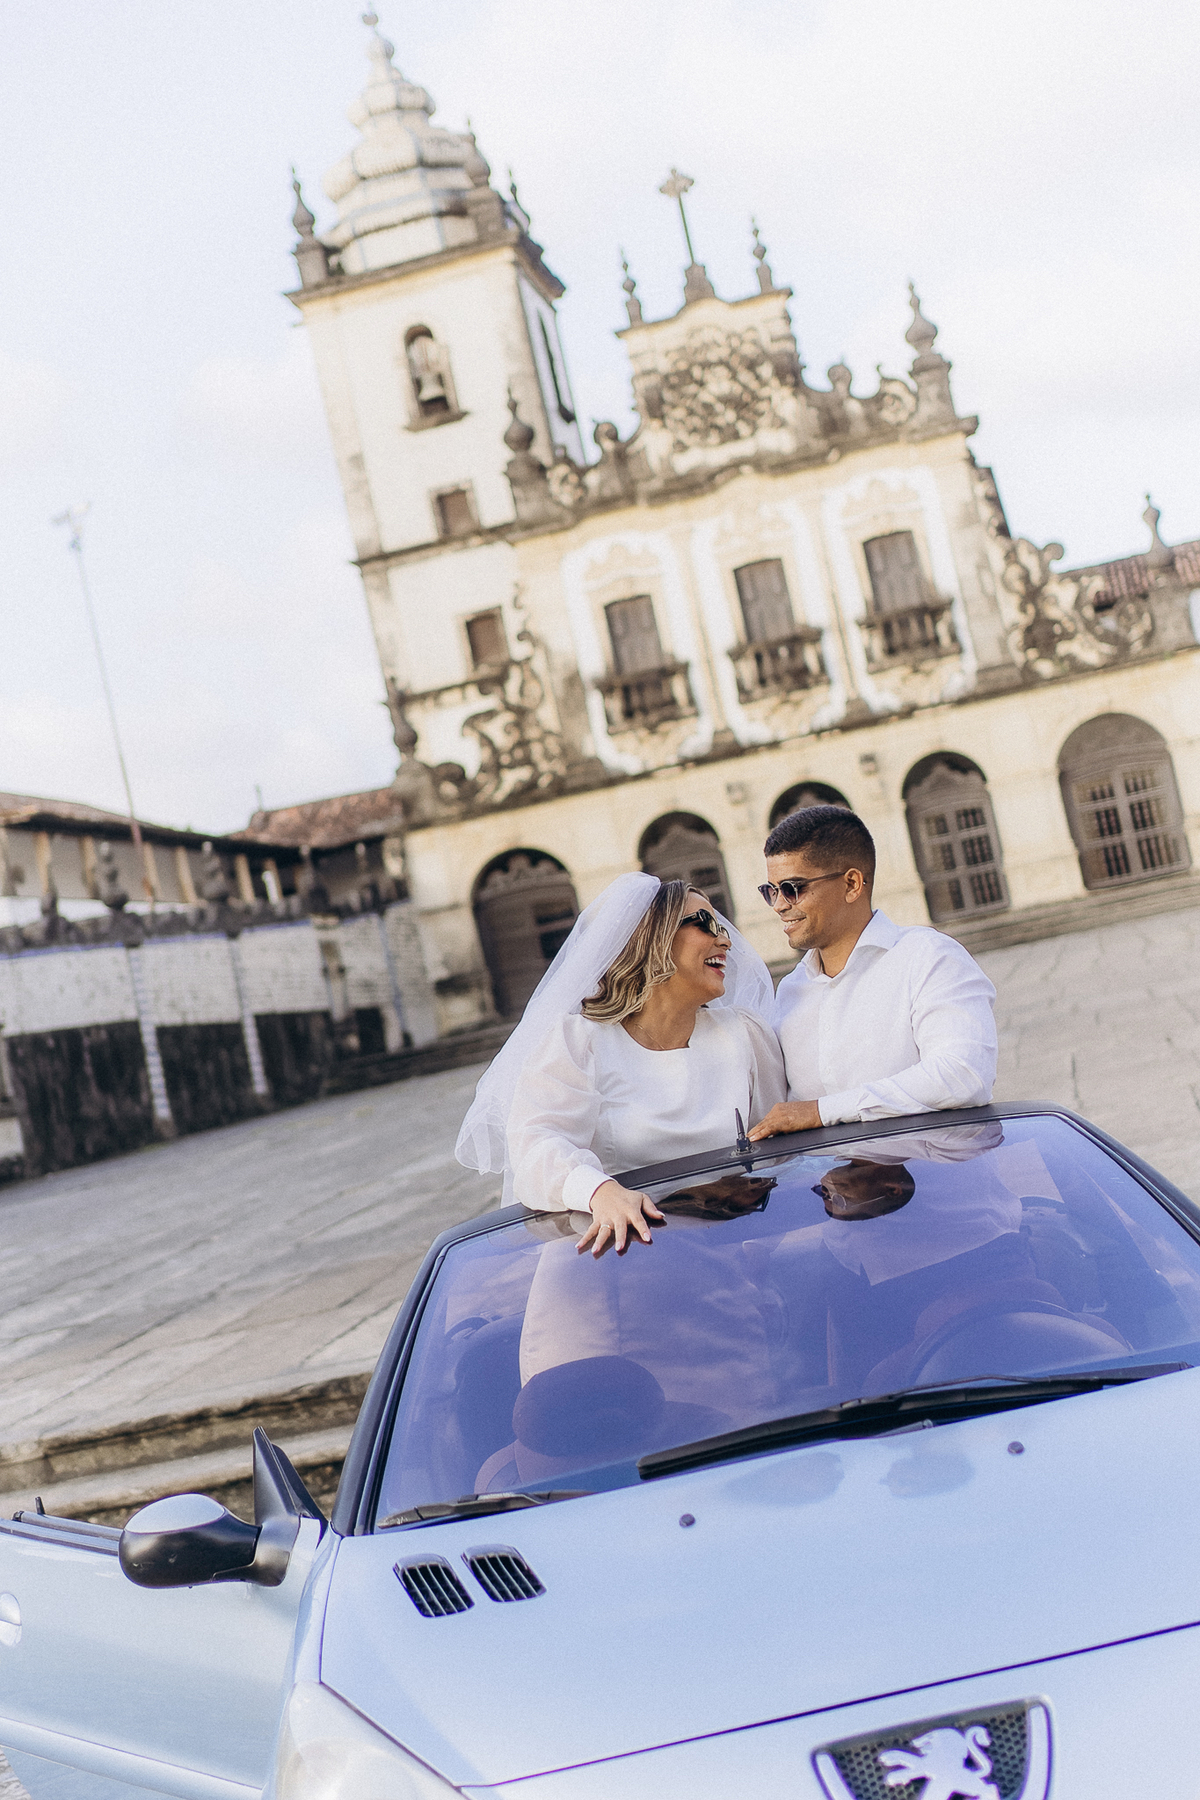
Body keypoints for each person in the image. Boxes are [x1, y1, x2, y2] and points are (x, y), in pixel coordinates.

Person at [456, 873, 786, 1257]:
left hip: (734, 1247)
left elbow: (779, 1153)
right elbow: (536, 1146)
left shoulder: (745, 1035)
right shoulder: (579, 1041)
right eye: (705, 924)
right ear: (652, 939)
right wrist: (599, 1191)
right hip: (622, 1256)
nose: (725, 939)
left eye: (722, 925)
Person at [747, 805, 997, 1143]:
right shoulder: (790, 991)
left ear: (852, 884)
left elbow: (963, 1076)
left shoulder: (927, 957)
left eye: (792, 888)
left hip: (941, 1185)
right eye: (771, 891)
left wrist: (822, 1111)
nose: (779, 905)